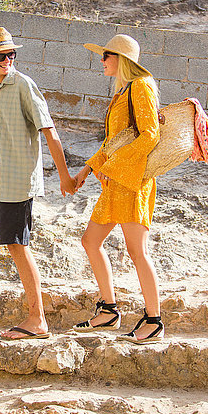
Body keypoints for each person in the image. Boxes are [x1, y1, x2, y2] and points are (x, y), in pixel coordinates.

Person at [0, 26, 76, 341]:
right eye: (0, 56)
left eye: (11, 54)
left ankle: (37, 319)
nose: (7, 60)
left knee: (17, 245)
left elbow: (50, 131)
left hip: (17, 181)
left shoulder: (24, 86)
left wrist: (65, 176)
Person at [73, 34, 164, 344]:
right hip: (116, 183)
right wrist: (87, 169)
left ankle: (154, 320)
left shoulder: (141, 86)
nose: (102, 61)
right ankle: (109, 310)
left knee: (137, 252)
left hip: (134, 182)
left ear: (121, 59)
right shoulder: (123, 91)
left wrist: (111, 167)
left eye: (106, 56)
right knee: (90, 241)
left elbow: (150, 135)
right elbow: (114, 142)